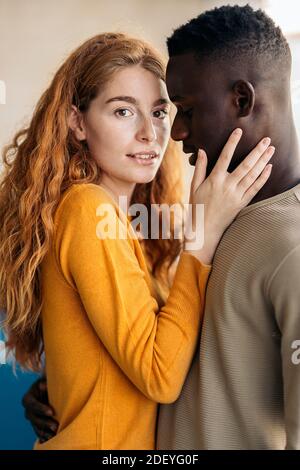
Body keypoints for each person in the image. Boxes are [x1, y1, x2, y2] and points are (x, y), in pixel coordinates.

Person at [23, 5, 300, 450]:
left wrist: (66, 384)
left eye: (160, 111)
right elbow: (158, 372)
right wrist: (200, 241)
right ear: (77, 122)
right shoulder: (89, 209)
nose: (156, 134)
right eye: (122, 112)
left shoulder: (137, 222)